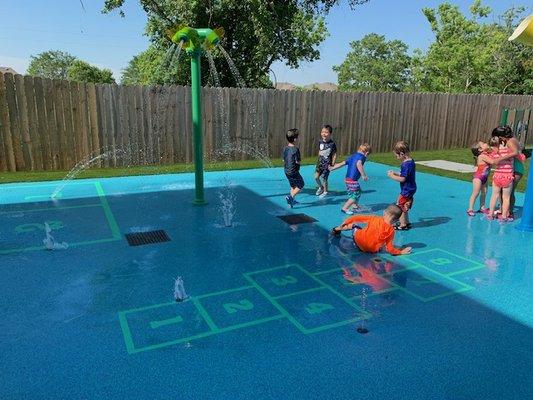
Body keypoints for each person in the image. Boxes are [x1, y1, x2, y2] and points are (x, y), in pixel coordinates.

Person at [331, 204, 411, 255]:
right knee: (383, 242)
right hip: (371, 250)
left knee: (354, 225)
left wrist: (346, 221)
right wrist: (401, 252)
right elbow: (390, 249)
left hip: (359, 242)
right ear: (396, 220)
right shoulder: (391, 231)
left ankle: (337, 229)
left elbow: (357, 217)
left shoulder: (374, 218)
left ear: (384, 212)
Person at [467, 140, 515, 216]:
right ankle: (470, 209)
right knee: (475, 193)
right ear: (480, 149)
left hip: (484, 178)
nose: (486, 143)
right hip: (478, 178)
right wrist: (503, 157)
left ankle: (482, 207)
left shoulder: (486, 154)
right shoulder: (482, 156)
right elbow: (493, 162)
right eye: (483, 143)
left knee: (484, 193)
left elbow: (493, 154)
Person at [491, 126, 524, 217]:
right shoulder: (510, 140)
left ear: (500, 136)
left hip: (516, 169)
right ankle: (503, 210)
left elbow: (515, 152)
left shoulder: (510, 141)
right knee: (504, 192)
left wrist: (500, 159)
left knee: (510, 192)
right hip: (512, 168)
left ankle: (510, 212)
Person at [329, 143, 371, 215]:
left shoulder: (353, 156)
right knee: (355, 195)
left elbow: (342, 163)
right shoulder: (362, 157)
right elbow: (358, 164)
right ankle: (345, 208)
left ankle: (355, 205)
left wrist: (333, 168)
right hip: (353, 180)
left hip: (348, 179)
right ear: (366, 152)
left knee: (357, 192)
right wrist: (363, 175)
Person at [387, 141, 416, 230]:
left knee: (400, 206)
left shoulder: (405, 164)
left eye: (397, 155)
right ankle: (407, 222)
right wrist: (395, 173)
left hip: (406, 189)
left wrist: (392, 176)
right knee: (404, 205)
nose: (396, 157)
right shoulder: (411, 161)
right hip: (411, 188)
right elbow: (405, 174)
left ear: (402, 154)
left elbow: (403, 178)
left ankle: (402, 224)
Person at [314, 124, 337, 198]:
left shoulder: (332, 144)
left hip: (327, 164)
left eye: (326, 132)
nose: (324, 133)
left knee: (324, 178)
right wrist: (318, 159)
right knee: (316, 177)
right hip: (320, 163)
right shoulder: (320, 141)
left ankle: (325, 191)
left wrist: (333, 163)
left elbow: (334, 154)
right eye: (322, 132)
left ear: (330, 134)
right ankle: (321, 187)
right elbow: (320, 151)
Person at [283, 128, 304, 208]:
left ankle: (291, 202)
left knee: (293, 186)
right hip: (294, 171)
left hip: (286, 171)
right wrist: (299, 165)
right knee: (301, 184)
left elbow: (283, 159)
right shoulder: (295, 149)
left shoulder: (285, 148)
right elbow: (297, 161)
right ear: (295, 139)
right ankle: (290, 197)